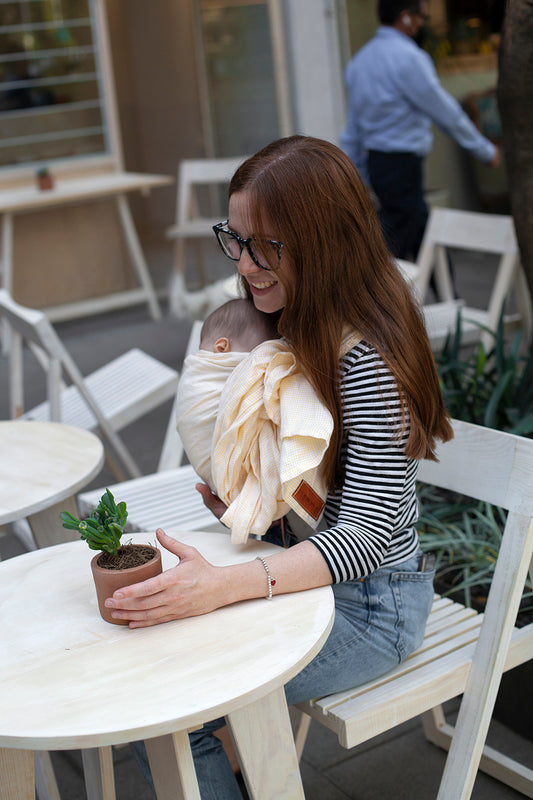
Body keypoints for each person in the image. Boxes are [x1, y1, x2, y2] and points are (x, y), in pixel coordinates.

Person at [105, 135, 453, 799]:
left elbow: (366, 538)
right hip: (304, 575)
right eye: (234, 239)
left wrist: (224, 585)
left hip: (373, 607)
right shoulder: (290, 319)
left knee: (169, 712)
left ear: (326, 241)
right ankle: (245, 761)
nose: (244, 263)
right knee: (149, 679)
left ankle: (235, 757)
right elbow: (317, 487)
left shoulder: (366, 360)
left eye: (266, 246)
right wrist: (259, 498)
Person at [340, 0, 501, 261]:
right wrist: (484, 149)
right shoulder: (409, 58)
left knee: (422, 233)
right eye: (422, 18)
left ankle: (448, 293)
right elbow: (445, 112)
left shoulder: (360, 61)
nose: (422, 25)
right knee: (392, 244)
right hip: (402, 165)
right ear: (406, 17)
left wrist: (356, 172)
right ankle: (367, 293)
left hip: (378, 164)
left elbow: (354, 128)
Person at [176, 297, 341, 542]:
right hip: (284, 534)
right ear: (222, 348)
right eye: (259, 358)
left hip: (313, 544)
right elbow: (201, 426)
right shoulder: (203, 378)